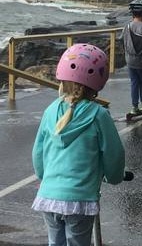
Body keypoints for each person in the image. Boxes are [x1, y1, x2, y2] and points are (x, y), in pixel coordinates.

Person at [32, 43, 126, 246]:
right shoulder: (99, 115)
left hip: (49, 195)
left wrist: (44, 176)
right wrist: (115, 176)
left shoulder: (50, 111)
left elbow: (38, 152)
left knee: (55, 242)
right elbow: (113, 154)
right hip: (79, 199)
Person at [122, 0, 142, 114]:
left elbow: (123, 42)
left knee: (134, 82)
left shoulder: (127, 27)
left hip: (130, 60)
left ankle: (134, 107)